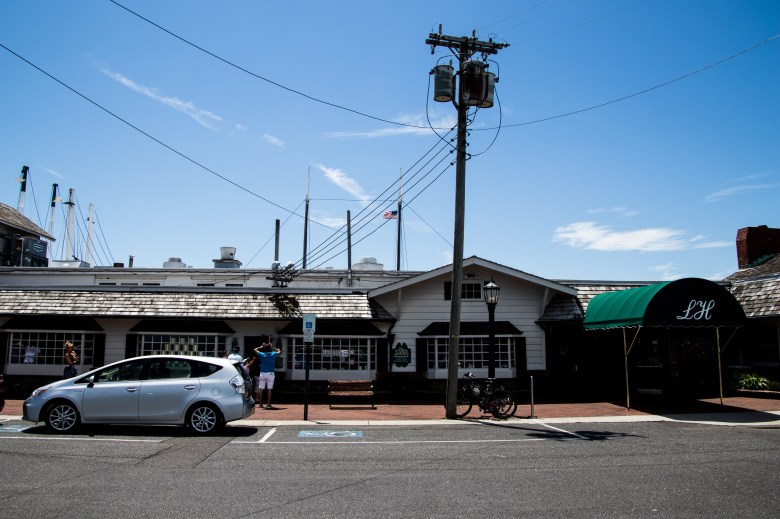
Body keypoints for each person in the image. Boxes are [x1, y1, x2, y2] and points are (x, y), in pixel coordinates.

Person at [254, 338, 281, 409]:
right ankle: (268, 404)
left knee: (261, 388)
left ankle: (260, 404)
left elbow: (254, 350)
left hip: (262, 373)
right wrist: (273, 348)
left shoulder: (262, 354)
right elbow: (279, 351)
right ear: (270, 349)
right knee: (269, 389)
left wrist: (261, 347)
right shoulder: (273, 354)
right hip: (270, 373)